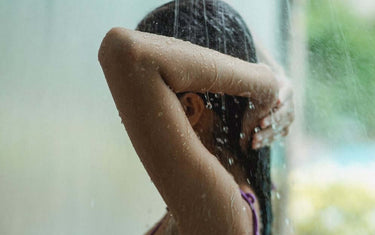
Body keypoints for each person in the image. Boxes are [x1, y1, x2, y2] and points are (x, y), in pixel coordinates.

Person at [98, 0, 294, 234]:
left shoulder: (221, 211)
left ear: (190, 109)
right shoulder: (224, 205)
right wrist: (268, 80)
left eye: (148, 94)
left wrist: (267, 85)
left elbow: (124, 50)